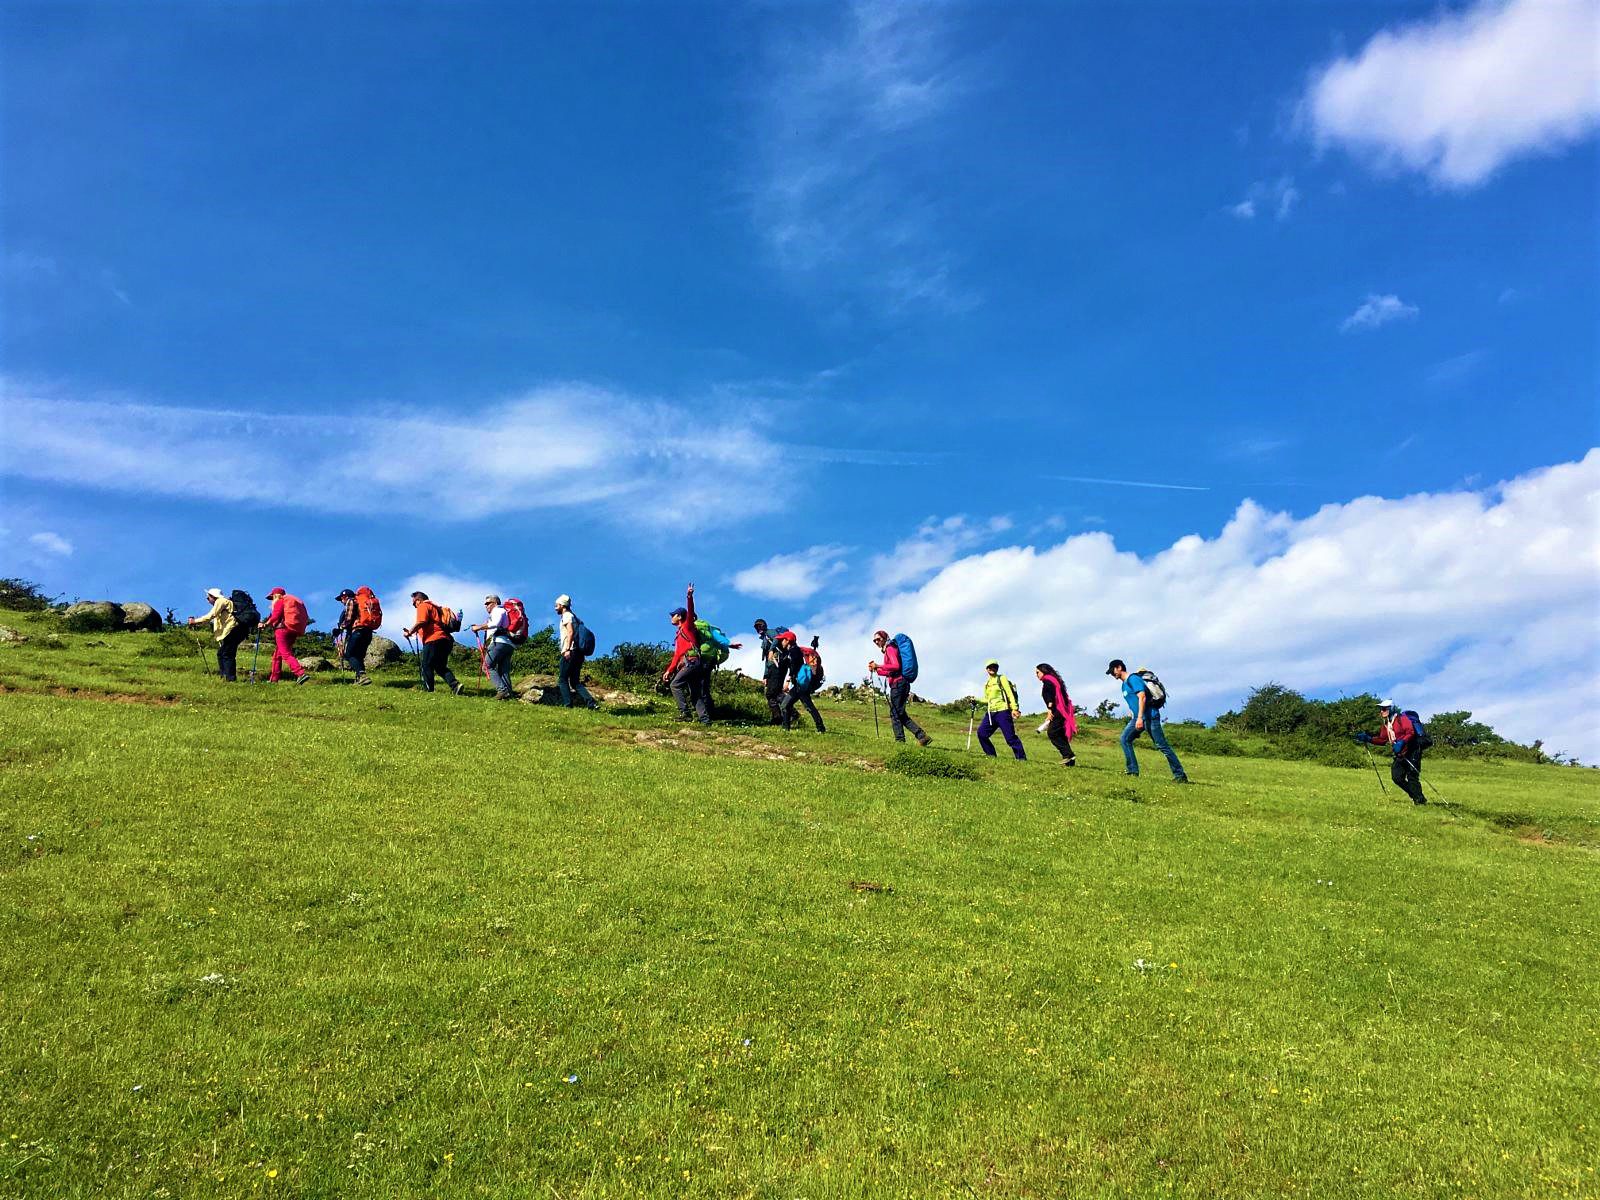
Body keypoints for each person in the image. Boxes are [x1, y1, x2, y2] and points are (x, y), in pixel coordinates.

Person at [1107, 659, 1187, 782]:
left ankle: (1180, 775)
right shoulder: (1124, 684)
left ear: (1119, 667)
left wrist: (1139, 718)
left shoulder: (1133, 679)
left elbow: (1142, 697)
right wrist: (1135, 716)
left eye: (1112, 671)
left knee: (1162, 746)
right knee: (1125, 739)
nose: (1112, 675)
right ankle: (1132, 771)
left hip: (1149, 717)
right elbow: (1134, 701)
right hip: (1137, 718)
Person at [1356, 699, 1427, 804]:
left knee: (1412, 776)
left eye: (1384, 709)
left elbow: (1410, 732)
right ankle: (1417, 796)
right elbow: (1382, 739)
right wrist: (1368, 738)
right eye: (1381, 709)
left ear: (1391, 709)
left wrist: (1402, 742)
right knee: (1397, 777)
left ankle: (1419, 800)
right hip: (1400, 753)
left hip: (1412, 750)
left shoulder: (1401, 719)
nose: (1381, 711)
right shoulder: (1386, 724)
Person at [870, 630, 932, 746]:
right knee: (900, 713)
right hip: (901, 683)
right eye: (874, 640)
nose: (876, 642)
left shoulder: (890, 648)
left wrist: (878, 665)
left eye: (878, 639)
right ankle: (922, 736)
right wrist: (877, 670)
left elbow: (896, 666)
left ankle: (900, 741)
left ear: (884, 638)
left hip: (898, 684)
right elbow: (891, 671)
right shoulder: (890, 649)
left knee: (895, 714)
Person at [661, 583, 711, 724]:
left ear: (680, 616)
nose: (671, 617)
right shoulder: (680, 634)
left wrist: (689, 596)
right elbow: (677, 655)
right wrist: (669, 671)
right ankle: (705, 720)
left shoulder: (688, 626)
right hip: (693, 663)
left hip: (692, 662)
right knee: (695, 693)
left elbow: (690, 610)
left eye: (673, 615)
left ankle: (685, 713)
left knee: (675, 685)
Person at [403, 590, 463, 695]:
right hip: (446, 640)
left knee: (426, 665)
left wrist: (410, 632)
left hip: (433, 639)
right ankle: (455, 685)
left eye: (414, 603)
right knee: (440, 667)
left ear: (419, 599)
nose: (414, 606)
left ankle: (428, 690)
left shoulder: (423, 605)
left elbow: (422, 621)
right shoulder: (436, 608)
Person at [186, 587, 246, 682]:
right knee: (222, 653)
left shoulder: (221, 601)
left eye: (208, 597)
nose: (207, 600)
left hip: (232, 630)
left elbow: (211, 615)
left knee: (226, 654)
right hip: (235, 630)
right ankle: (225, 676)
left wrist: (195, 621)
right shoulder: (225, 602)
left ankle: (230, 679)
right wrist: (197, 623)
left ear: (213, 596)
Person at [976, 659, 1027, 760]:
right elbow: (988, 699)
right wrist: (976, 700)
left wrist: (1014, 708)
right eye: (990, 667)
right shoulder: (987, 684)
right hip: (991, 713)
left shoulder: (1001, 678)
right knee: (981, 733)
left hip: (1003, 712)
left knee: (1010, 738)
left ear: (997, 668)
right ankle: (991, 756)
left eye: (994, 666)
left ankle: (1021, 759)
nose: (992, 668)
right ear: (986, 669)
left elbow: (1009, 693)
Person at [554, 594, 598, 709]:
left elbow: (570, 632)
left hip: (571, 651)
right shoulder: (575, 617)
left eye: (556, 605)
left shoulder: (567, 616)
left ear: (562, 605)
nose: (555, 608)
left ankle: (568, 705)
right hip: (579, 653)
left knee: (562, 679)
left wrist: (567, 649)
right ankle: (591, 703)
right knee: (575, 682)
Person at [261, 586, 311, 685]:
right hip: (292, 630)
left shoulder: (280, 602)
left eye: (272, 597)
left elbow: (275, 616)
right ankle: (274, 679)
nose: (271, 600)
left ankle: (300, 673)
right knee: (277, 655)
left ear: (276, 595)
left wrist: (265, 624)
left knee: (285, 653)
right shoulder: (290, 602)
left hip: (282, 630)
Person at [470, 594, 515, 701]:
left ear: (495, 603)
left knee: (487, 666)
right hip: (509, 644)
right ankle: (509, 694)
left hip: (499, 642)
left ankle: (502, 690)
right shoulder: (503, 612)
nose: (486, 606)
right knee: (503, 670)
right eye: (485, 604)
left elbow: (495, 624)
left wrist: (479, 627)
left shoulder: (498, 610)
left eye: (488, 603)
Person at [780, 636, 827, 733]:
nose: (781, 642)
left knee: (807, 706)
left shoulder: (794, 651)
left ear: (788, 641)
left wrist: (787, 681)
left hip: (800, 685)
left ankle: (821, 728)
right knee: (786, 705)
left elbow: (794, 667)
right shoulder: (795, 651)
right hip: (800, 684)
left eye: (782, 640)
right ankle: (785, 728)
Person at [1035, 663, 1077, 766]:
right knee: (1059, 734)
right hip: (1063, 709)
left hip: (1059, 710)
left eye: (1037, 672)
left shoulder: (1048, 681)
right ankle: (1069, 760)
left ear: (1043, 671)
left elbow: (1051, 697)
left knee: (1052, 733)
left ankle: (1068, 755)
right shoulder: (1054, 680)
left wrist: (1050, 710)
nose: (1036, 675)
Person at [332, 588, 375, 685]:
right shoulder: (361, 603)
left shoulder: (350, 601)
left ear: (345, 597)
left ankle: (362, 676)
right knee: (359, 656)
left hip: (358, 631)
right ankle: (359, 679)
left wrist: (340, 629)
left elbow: (348, 618)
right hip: (368, 632)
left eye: (341, 599)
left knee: (349, 655)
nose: (341, 601)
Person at [754, 618, 791, 724]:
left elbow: (777, 638)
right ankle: (781, 717)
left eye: (760, 625)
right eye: (756, 627)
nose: (758, 628)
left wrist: (771, 649)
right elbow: (767, 659)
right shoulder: (765, 638)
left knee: (772, 693)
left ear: (765, 625)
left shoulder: (769, 632)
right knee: (774, 693)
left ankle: (785, 716)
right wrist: (765, 675)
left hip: (777, 665)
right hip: (773, 667)